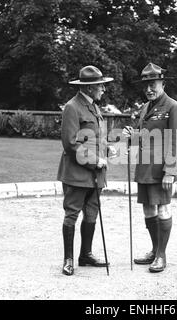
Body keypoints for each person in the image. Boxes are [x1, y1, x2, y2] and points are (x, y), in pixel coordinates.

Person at [122, 63, 177, 273]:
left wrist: (170, 171)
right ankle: (154, 249)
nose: (149, 89)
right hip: (145, 167)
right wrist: (133, 136)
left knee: (163, 209)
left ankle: (161, 255)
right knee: (148, 209)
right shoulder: (144, 108)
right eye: (146, 86)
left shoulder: (173, 107)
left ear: (163, 83)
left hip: (162, 169)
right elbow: (145, 138)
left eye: (153, 85)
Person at [57, 65, 113, 276]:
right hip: (77, 174)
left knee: (91, 214)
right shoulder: (72, 107)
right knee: (72, 214)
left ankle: (85, 255)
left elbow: (96, 138)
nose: (103, 89)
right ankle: (68, 260)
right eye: (100, 86)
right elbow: (70, 143)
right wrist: (95, 161)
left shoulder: (94, 107)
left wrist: (108, 149)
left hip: (96, 175)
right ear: (89, 88)